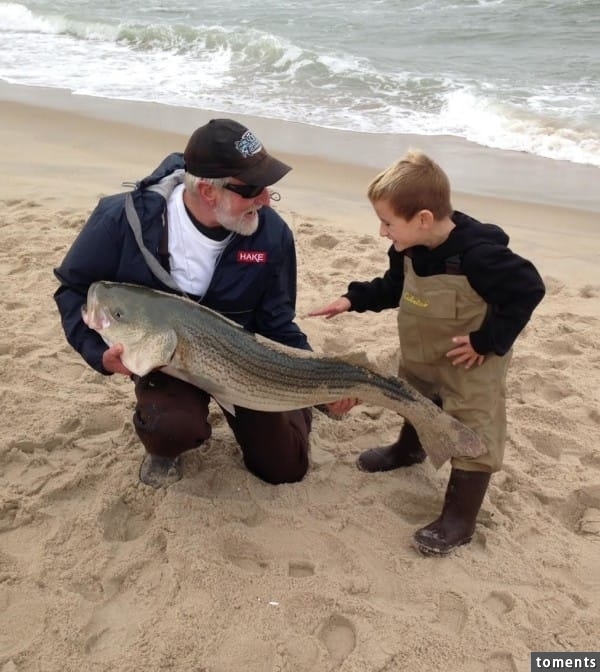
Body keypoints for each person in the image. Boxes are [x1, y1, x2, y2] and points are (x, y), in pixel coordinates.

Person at [54, 118, 353, 489]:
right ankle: (165, 448)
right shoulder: (120, 219)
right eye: (254, 189)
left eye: (268, 187)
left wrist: (324, 385)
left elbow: (278, 323)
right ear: (209, 192)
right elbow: (73, 288)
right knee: (170, 427)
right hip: (170, 362)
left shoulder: (272, 235)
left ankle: (297, 408)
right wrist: (97, 354)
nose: (265, 199)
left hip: (244, 364)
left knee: (284, 468)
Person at [309, 150, 545, 556]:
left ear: (422, 218)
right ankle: (409, 449)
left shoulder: (479, 255)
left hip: (470, 363)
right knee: (416, 398)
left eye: (387, 222)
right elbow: (393, 287)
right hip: (421, 351)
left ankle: (459, 519)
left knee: (473, 429)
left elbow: (529, 290)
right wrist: (353, 299)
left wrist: (487, 341)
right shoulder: (409, 248)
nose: (383, 231)